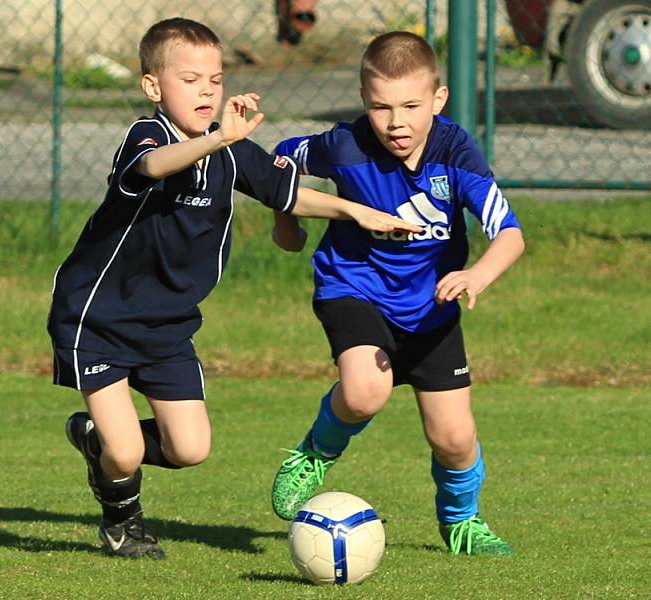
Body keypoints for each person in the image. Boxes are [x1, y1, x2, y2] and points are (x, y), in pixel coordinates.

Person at [46, 18, 419, 560]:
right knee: (126, 452)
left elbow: (287, 194)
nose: (206, 91)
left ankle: (97, 440)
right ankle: (122, 523)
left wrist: (357, 212)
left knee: (190, 448)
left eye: (215, 80)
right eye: (191, 79)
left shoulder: (230, 151)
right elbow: (152, 166)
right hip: (98, 318)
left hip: (168, 326)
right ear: (153, 86)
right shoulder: (148, 137)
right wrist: (219, 136)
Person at [269, 31, 525, 556]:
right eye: (380, 107)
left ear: (439, 98)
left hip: (431, 309)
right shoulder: (345, 145)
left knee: (454, 438)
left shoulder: (456, 152)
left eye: (411, 105)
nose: (395, 122)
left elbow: (511, 234)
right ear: (364, 102)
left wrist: (477, 275)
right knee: (366, 392)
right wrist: (286, 225)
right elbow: (278, 164)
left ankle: (461, 523)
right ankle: (314, 453)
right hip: (354, 287)